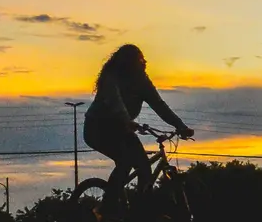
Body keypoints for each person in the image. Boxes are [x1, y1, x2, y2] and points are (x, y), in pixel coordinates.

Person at [82, 44, 195, 209]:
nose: (141, 65)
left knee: (145, 169)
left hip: (122, 129)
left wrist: (180, 126)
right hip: (97, 128)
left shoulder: (142, 80)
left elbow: (159, 104)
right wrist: (126, 120)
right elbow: (115, 101)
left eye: (141, 61)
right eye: (136, 62)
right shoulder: (110, 77)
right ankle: (107, 209)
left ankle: (140, 212)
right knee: (125, 162)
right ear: (124, 63)